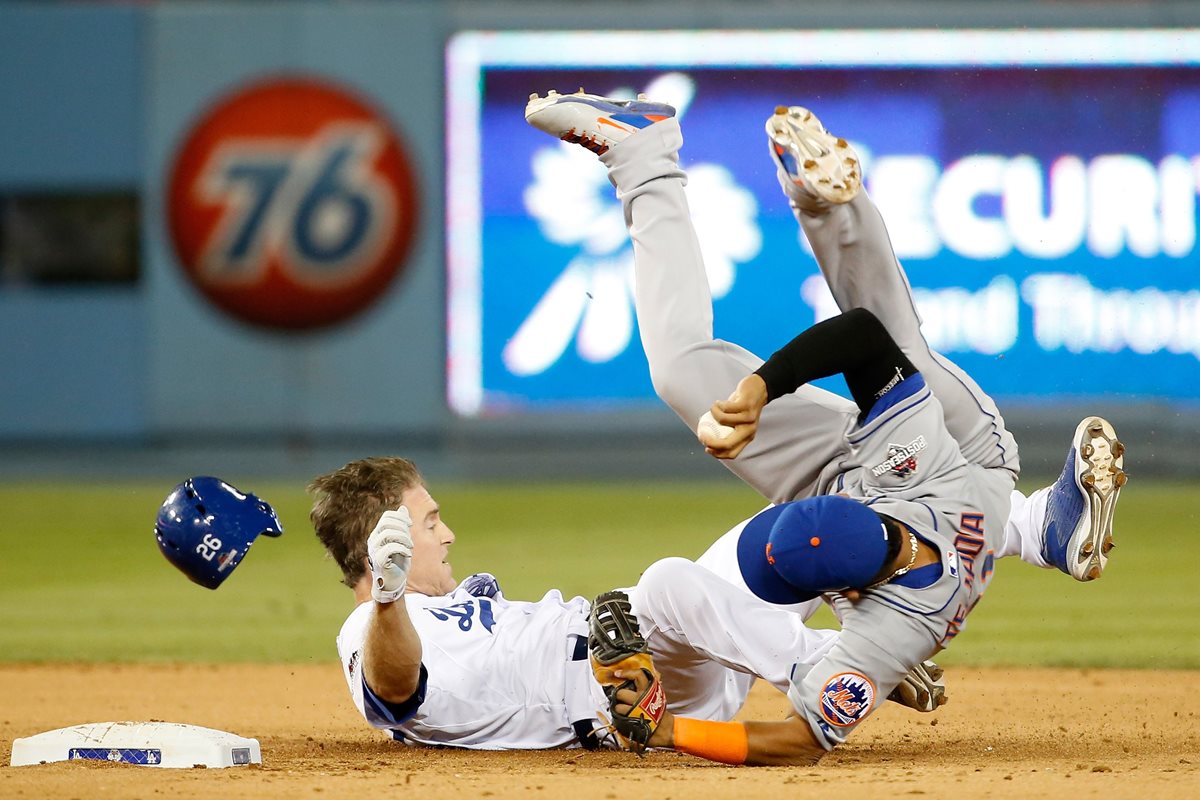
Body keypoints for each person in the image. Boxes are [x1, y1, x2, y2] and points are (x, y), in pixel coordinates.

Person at [522, 90, 1127, 765]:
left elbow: (797, 740)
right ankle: (825, 203)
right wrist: (760, 389)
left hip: (880, 487)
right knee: (902, 344)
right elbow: (867, 335)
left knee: (684, 375)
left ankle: (645, 155)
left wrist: (757, 390)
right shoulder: (911, 539)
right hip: (962, 460)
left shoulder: (886, 608)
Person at [307, 456, 944, 751]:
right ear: (383, 544)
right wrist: (387, 598)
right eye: (429, 523)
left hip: (655, 644)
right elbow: (394, 691)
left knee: (798, 526)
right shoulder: (369, 628)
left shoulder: (435, 604)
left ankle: (873, 643)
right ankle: (831, 672)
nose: (447, 534)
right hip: (625, 693)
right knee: (667, 581)